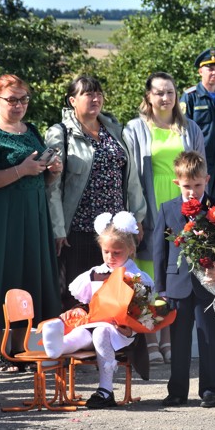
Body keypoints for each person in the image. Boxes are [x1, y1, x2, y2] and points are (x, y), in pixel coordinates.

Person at [0, 74, 63, 373]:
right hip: (0, 218)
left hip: (32, 216)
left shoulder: (30, 131)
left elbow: (40, 174)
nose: (19, 105)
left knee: (27, 275)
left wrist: (52, 169)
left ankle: (19, 347)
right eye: (12, 100)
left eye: (24, 99)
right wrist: (21, 170)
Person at [123, 71, 205, 364]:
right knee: (146, 276)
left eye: (170, 92)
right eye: (159, 92)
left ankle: (167, 338)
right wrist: (137, 213)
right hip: (149, 202)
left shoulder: (190, 128)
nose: (165, 97)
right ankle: (149, 338)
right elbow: (130, 174)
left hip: (180, 206)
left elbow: (200, 170)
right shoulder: (134, 129)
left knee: (171, 271)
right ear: (148, 96)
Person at [46, 76, 147, 310]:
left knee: (117, 294)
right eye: (88, 94)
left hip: (115, 231)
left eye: (99, 93)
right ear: (72, 100)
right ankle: (80, 344)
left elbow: (131, 178)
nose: (95, 98)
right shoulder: (60, 133)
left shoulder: (115, 130)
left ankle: (113, 345)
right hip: (78, 230)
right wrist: (58, 229)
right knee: (79, 297)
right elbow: (53, 186)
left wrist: (138, 218)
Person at [41, 211, 151, 409]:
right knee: (80, 334)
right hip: (95, 323)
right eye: (106, 252)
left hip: (122, 331)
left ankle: (105, 389)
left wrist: (131, 328)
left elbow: (145, 310)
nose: (110, 257)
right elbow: (87, 303)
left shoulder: (137, 277)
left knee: (101, 332)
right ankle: (57, 346)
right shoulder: (95, 274)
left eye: (117, 253)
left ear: (131, 250)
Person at [154, 151, 215, 408]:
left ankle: (211, 389)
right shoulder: (167, 208)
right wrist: (161, 289)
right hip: (177, 285)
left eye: (198, 185)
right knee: (179, 341)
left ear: (207, 180)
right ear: (177, 182)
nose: (192, 191)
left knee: (210, 337)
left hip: (208, 283)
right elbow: (160, 250)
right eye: (187, 186)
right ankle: (177, 390)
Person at [180, 48, 215, 201]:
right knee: (198, 204)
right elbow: (183, 131)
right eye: (210, 69)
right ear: (200, 71)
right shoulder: (190, 97)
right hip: (199, 162)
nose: (214, 72)